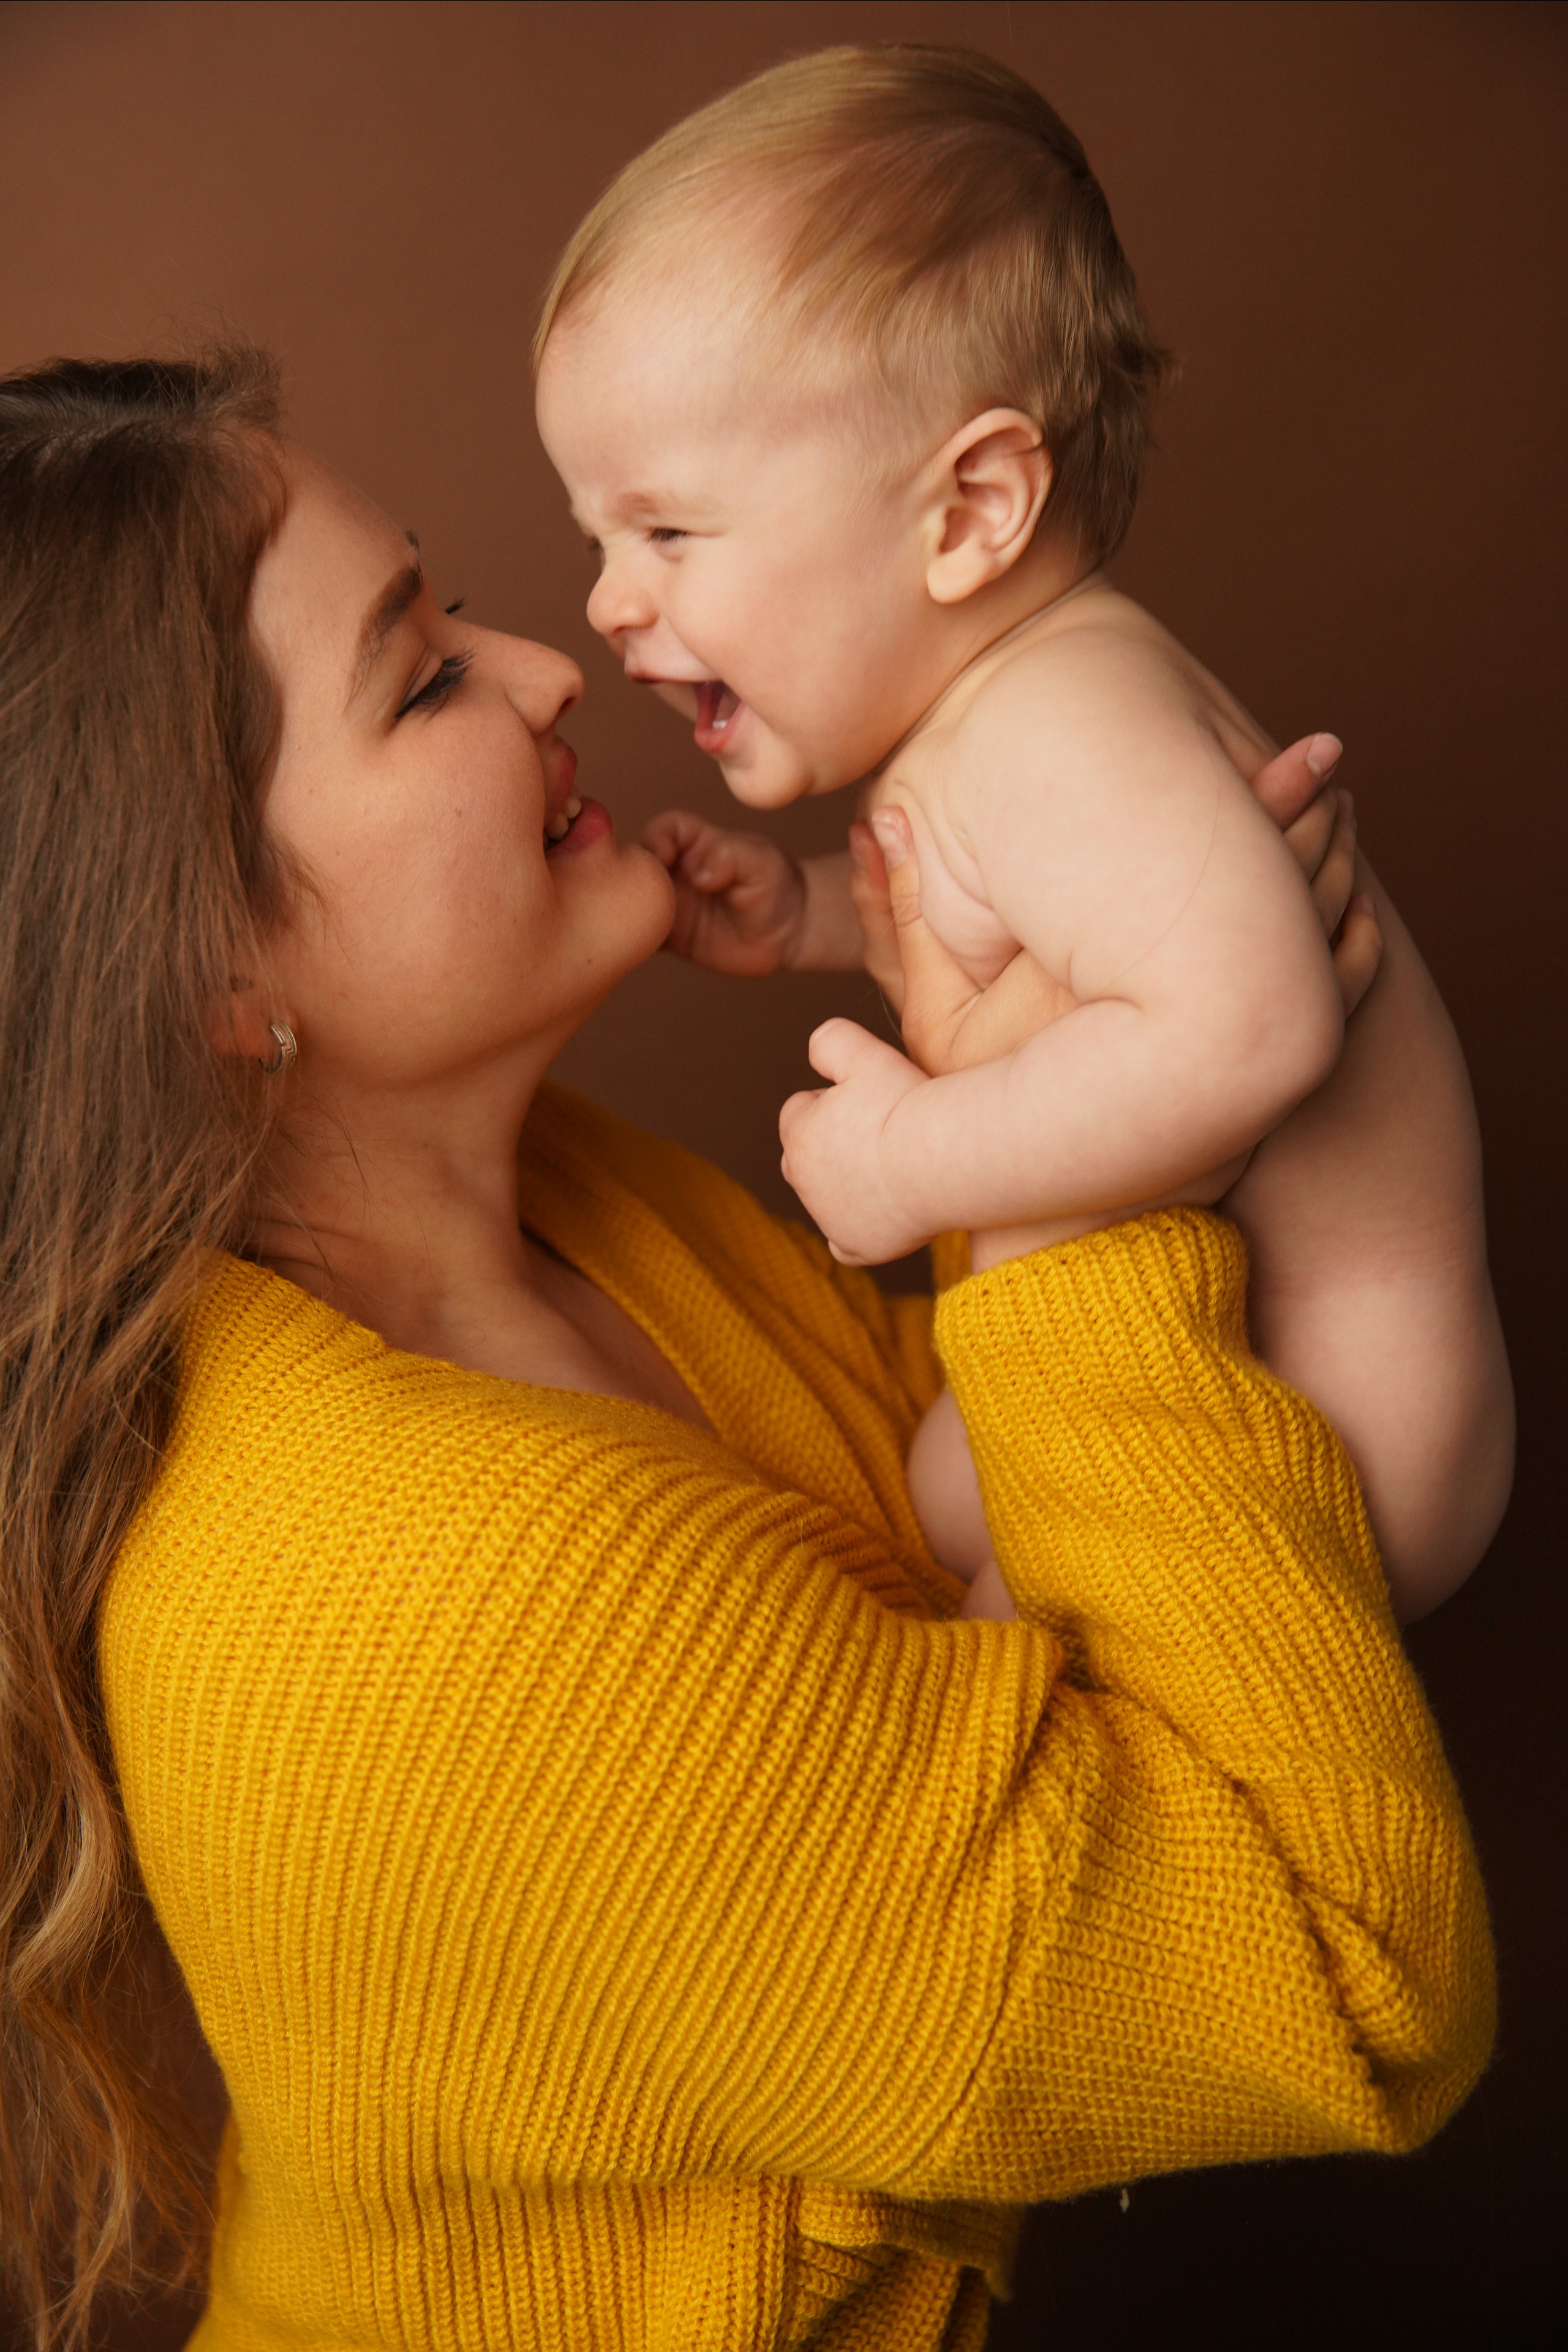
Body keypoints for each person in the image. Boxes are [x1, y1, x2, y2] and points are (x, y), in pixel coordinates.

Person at [0, 350, 1492, 2352]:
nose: (547, 673)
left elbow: (991, 1513)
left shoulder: (555, 1212)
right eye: (423, 679)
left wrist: (1048, 1057)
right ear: (209, 971)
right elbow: (1346, 1972)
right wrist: (1075, 1156)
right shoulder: (417, 1606)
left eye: (453, 609)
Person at [532, 42, 1514, 1626]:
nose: (608, 600)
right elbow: (1043, 937)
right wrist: (822, 919)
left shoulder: (1069, 725)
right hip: (1211, 1359)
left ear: (972, 511)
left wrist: (917, 1164)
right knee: (933, 1501)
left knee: (1001, 1673)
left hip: (1327, 1414)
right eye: (598, 536)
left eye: (669, 531)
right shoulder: (990, 717)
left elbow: (1254, 1027)